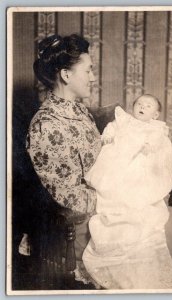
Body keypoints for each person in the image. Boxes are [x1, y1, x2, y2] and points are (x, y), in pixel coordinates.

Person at [26, 34, 102, 283]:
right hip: (78, 227)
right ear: (66, 75)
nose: (93, 77)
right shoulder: (47, 124)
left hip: (99, 212)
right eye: (88, 70)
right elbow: (67, 194)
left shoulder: (79, 110)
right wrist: (116, 201)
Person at [82, 94, 172, 289]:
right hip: (119, 161)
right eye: (139, 104)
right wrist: (108, 135)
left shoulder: (155, 128)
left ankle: (132, 201)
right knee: (114, 181)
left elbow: (159, 145)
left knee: (137, 186)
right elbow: (112, 129)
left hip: (139, 164)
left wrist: (149, 146)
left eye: (148, 105)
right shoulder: (124, 121)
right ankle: (117, 201)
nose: (142, 106)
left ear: (156, 114)